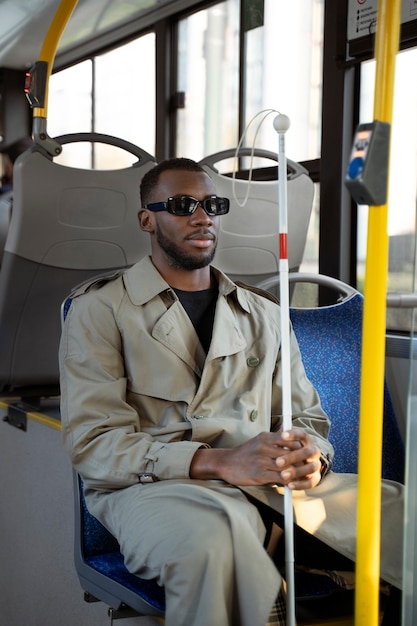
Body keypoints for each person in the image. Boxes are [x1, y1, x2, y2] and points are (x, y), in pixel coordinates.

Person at [59, 157, 403, 626]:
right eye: (183, 205)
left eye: (212, 205)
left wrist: (310, 455)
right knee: (217, 541)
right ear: (147, 219)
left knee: (402, 513)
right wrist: (219, 461)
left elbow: (306, 418)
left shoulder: (263, 314)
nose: (202, 217)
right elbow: (93, 444)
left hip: (265, 484)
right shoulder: (100, 311)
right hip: (155, 489)